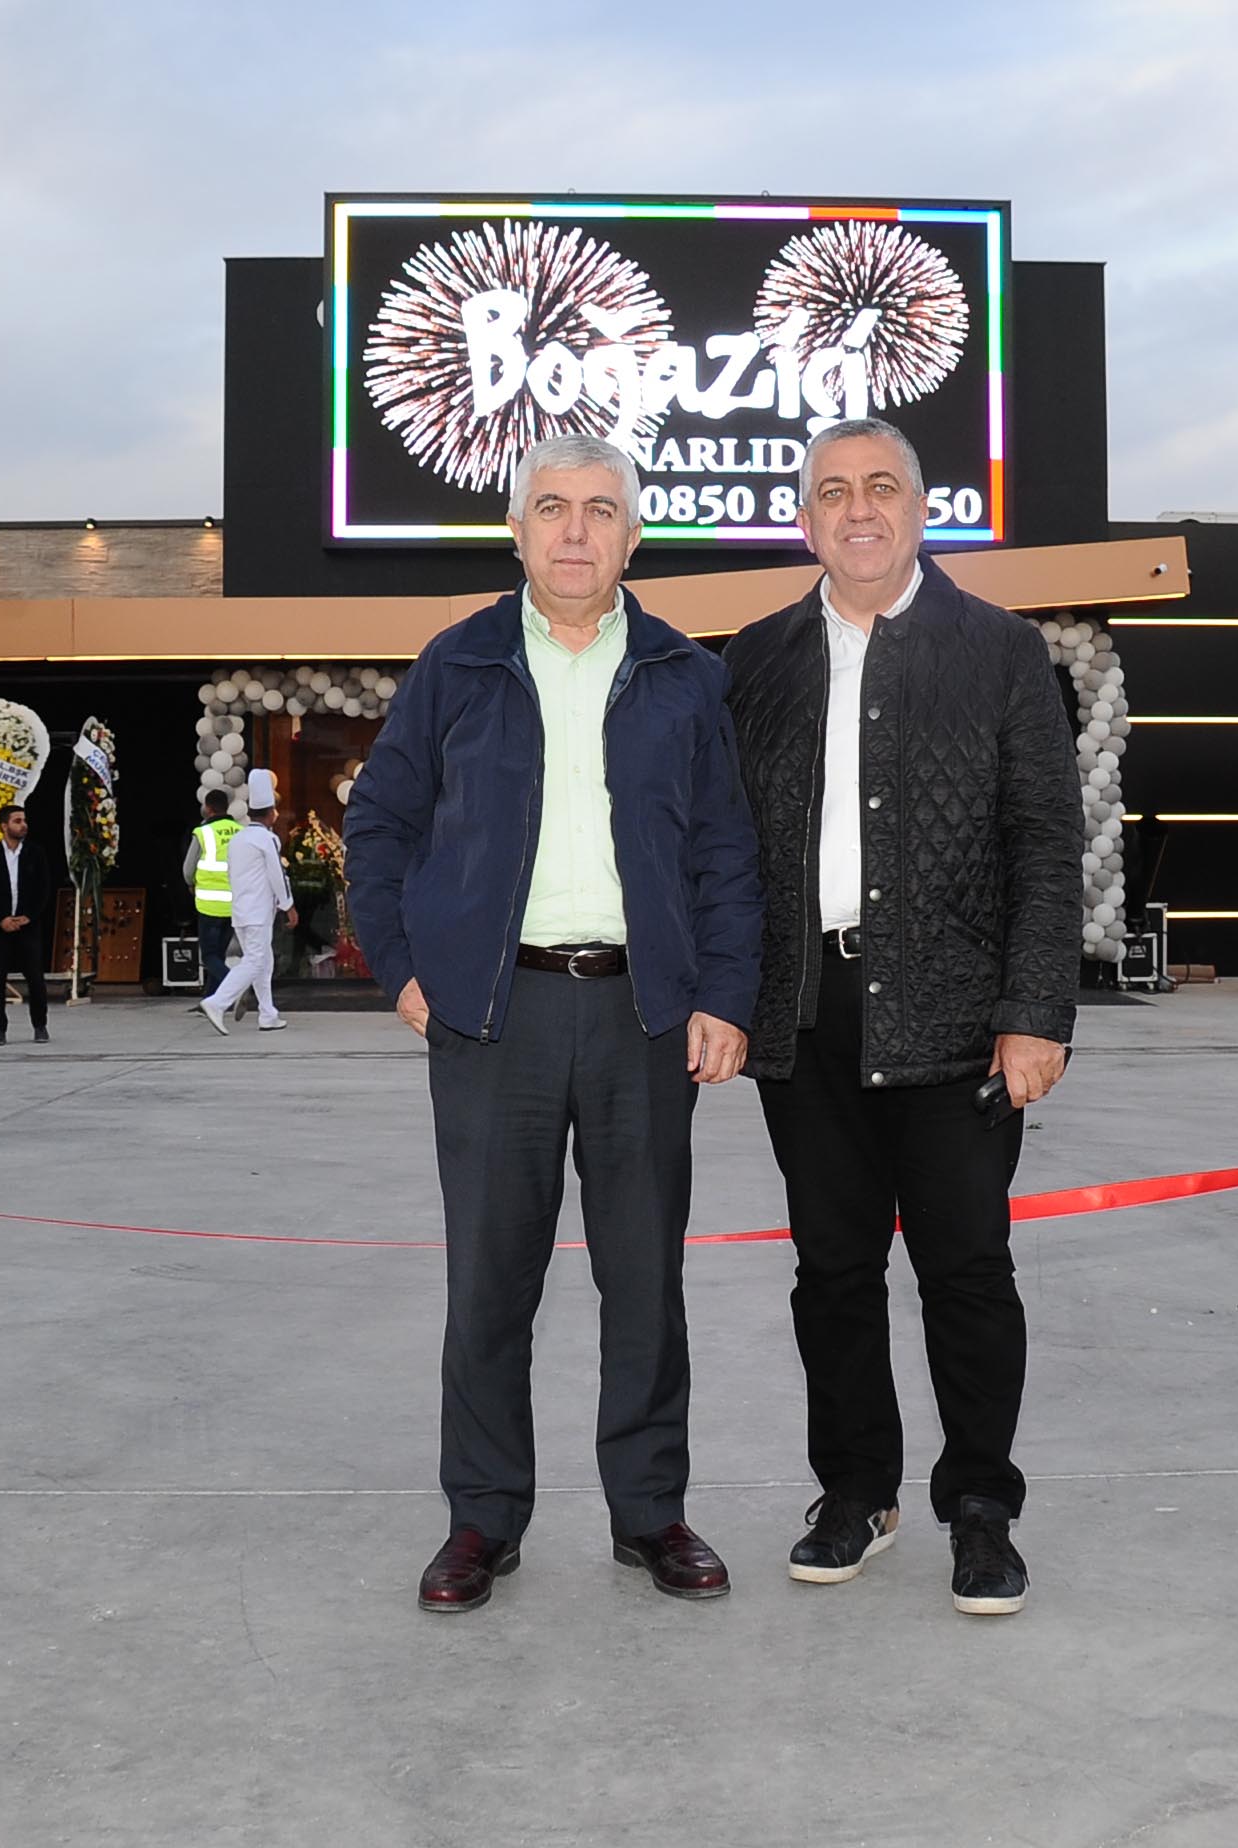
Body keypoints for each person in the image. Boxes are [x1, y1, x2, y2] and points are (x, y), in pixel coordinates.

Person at [346, 431, 761, 1616]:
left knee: (645, 1282)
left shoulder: (685, 674)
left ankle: (651, 1512)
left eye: (599, 510)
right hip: (495, 1018)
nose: (575, 531)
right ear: (517, 531)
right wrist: (405, 973)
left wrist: (724, 995)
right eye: (551, 508)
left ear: (633, 535)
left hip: (645, 1017)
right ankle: (482, 1518)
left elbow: (727, 851)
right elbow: (379, 826)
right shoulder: (458, 664)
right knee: (489, 1283)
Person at [725, 417, 1082, 1617]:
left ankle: (981, 1507)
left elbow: (1045, 842)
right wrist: (726, 999)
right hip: (805, 1015)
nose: (859, 508)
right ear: (805, 521)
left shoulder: (1001, 651)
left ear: (923, 510)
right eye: (833, 491)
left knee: (967, 1270)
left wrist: (1035, 1013)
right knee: (832, 1271)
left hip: (958, 1015)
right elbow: (721, 846)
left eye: (882, 486)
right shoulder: (758, 660)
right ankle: (855, 1492)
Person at [200, 770, 298, 1034]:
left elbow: (232, 874)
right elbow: (277, 876)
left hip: (240, 910)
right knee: (255, 962)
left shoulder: (238, 839)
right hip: (258, 912)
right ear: (271, 814)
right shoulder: (267, 839)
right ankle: (217, 1003)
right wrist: (288, 905)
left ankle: (268, 1014)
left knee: (263, 963)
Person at [0, 803, 58, 1046]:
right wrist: (0, 918)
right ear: (4, 826)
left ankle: (40, 1025)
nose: (23, 825)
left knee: (35, 978)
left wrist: (28, 915)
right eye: (17, 821)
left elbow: (43, 888)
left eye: (24, 820)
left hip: (27, 925)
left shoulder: (35, 853)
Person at [183, 786, 241, 1001]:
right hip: (234, 904)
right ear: (227, 807)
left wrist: (190, 883)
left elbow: (188, 869)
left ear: (208, 808)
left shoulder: (204, 832)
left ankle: (235, 986)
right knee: (219, 955)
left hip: (209, 904)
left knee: (209, 955)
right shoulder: (240, 831)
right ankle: (211, 1001)